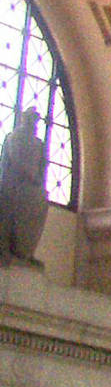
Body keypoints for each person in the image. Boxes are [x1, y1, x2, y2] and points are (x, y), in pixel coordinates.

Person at [0, 107, 48, 267]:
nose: (34, 123)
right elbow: (14, 159)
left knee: (33, 212)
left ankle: (25, 252)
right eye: (32, 119)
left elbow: (42, 167)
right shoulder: (14, 138)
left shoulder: (39, 144)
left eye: (36, 120)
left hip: (32, 190)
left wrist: (38, 183)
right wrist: (31, 176)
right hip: (13, 187)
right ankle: (8, 249)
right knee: (9, 216)